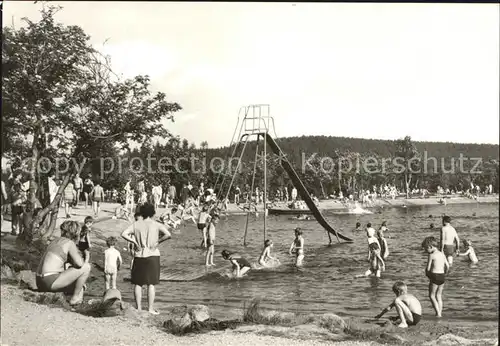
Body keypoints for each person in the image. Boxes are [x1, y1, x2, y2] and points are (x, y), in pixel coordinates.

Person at [121, 203, 171, 314]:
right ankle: (150, 309)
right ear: (153, 213)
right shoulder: (156, 224)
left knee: (138, 283)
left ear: (142, 213)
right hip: (153, 255)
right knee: (151, 284)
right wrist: (158, 242)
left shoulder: (136, 224)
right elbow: (168, 234)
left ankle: (138, 308)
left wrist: (134, 241)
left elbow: (123, 234)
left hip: (140, 255)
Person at [36, 220, 91, 305]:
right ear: (76, 233)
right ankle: (75, 299)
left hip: (39, 281)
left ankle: (75, 301)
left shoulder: (54, 241)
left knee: (79, 285)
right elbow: (80, 264)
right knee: (86, 267)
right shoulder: (69, 243)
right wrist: (86, 255)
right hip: (50, 280)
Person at [422, 236, 449, 318]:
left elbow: (428, 268)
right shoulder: (442, 254)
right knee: (439, 296)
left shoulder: (431, 255)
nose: (426, 251)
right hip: (442, 276)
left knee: (431, 295)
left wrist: (427, 274)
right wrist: (445, 273)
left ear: (430, 247)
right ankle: (440, 312)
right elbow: (447, 266)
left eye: (426, 249)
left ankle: (438, 313)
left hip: (435, 276)